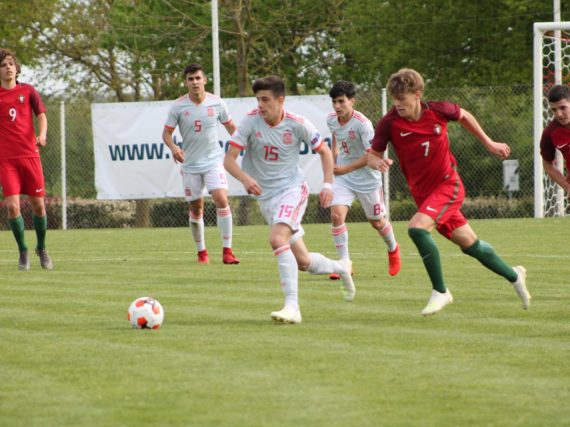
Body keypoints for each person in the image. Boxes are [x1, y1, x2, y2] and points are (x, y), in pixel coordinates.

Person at [367, 68, 530, 316]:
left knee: (417, 229)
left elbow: (464, 116)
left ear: (418, 94)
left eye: (403, 98)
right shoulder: (389, 123)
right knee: (470, 244)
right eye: (395, 99)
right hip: (423, 196)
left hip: (448, 185)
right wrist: (376, 163)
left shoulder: (439, 110)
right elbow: (372, 156)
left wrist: (488, 142)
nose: (398, 104)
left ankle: (441, 292)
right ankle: (514, 274)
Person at [224, 76, 355, 324]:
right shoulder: (251, 121)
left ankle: (292, 307)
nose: (260, 105)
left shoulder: (298, 124)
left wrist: (327, 185)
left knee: (276, 239)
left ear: (280, 100)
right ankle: (341, 267)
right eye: (258, 99)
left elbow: (325, 152)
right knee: (303, 262)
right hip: (266, 197)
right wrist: (244, 179)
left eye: (265, 100)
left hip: (292, 190)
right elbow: (229, 160)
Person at [162, 63, 239, 265]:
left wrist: (241, 145)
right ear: (186, 82)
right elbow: (166, 133)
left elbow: (231, 126)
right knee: (196, 210)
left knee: (222, 200)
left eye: (198, 78)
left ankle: (227, 251)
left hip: (213, 161)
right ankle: (202, 252)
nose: (195, 82)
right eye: (191, 79)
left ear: (205, 80)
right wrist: (174, 148)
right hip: (190, 165)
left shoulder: (217, 103)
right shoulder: (178, 106)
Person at [326, 80, 401, 280]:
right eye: (334, 102)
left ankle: (393, 249)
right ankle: (344, 264)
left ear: (352, 101)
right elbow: (335, 139)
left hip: (367, 179)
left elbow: (371, 157)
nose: (337, 106)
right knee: (336, 216)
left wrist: (345, 168)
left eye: (341, 101)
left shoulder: (363, 124)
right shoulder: (331, 119)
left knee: (377, 222)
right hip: (344, 178)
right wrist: (334, 161)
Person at [0, 48, 53, 271]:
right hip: (6, 160)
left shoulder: (28, 91)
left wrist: (42, 135)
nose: (8, 67)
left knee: (38, 206)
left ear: (17, 68)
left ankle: (41, 248)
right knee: (12, 207)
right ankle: (23, 250)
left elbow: (41, 115)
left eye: (11, 63)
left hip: (30, 156)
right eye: (3, 64)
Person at [540, 84, 570, 193]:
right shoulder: (550, 133)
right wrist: (567, 186)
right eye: (554, 109)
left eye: (563, 108)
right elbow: (547, 165)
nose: (559, 114)